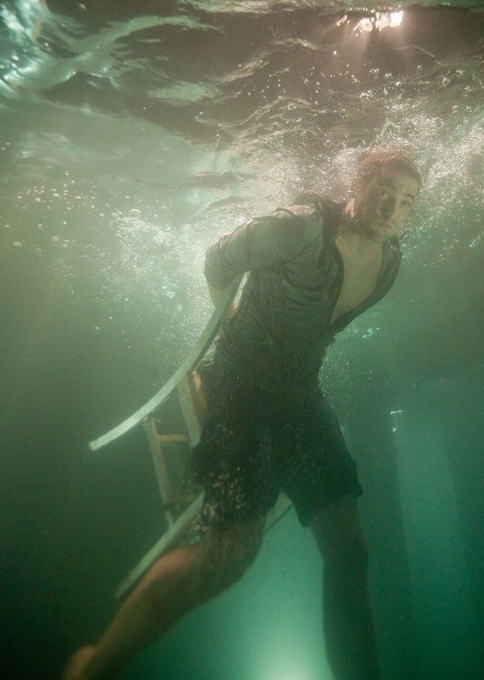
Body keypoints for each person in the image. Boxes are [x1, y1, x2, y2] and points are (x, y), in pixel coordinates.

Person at [61, 150, 421, 680]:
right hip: (242, 381)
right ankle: (91, 667)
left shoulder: (390, 263)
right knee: (228, 554)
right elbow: (217, 261)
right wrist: (230, 329)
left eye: (406, 202)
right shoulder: (300, 227)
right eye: (384, 193)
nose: (392, 210)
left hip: (300, 393)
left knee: (351, 552)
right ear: (358, 183)